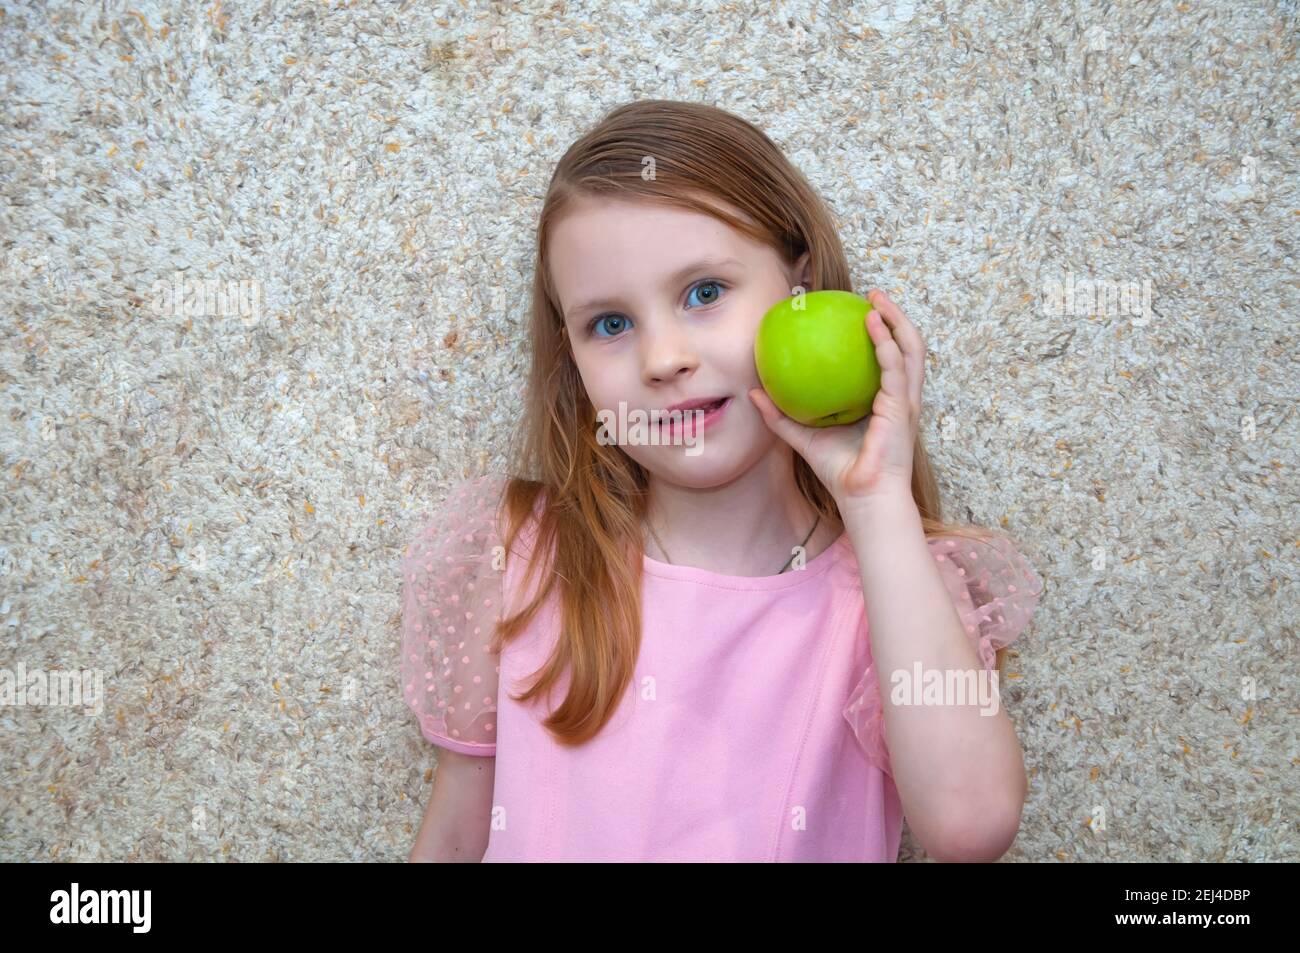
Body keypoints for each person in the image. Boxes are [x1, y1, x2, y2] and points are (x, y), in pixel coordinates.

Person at [400, 100, 1043, 862]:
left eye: (704, 292)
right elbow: (452, 839)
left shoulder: (894, 589)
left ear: (801, 290)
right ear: (568, 351)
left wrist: (874, 506)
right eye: (610, 323)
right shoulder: (524, 555)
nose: (663, 357)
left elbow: (972, 825)